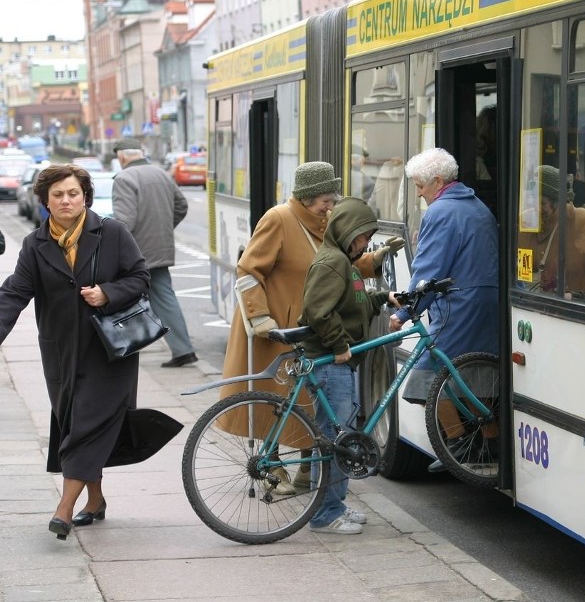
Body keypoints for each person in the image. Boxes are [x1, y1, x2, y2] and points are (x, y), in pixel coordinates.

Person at [0, 164, 182, 541]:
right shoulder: (35, 244)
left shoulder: (112, 232)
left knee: (86, 425)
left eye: (73, 193)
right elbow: (15, 293)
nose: (66, 200)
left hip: (109, 352)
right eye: (58, 195)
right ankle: (95, 500)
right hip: (61, 354)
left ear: (85, 196)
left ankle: (63, 510)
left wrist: (107, 293)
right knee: (75, 424)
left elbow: (140, 277)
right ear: (45, 201)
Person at [221, 161, 404, 494]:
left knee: (310, 400)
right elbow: (248, 270)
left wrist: (374, 260)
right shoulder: (278, 219)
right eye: (324, 199)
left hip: (312, 325)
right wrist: (260, 316)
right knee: (274, 402)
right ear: (306, 197)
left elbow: (340, 267)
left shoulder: (325, 223)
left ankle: (308, 469)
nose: (330, 206)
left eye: (333, 198)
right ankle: (273, 470)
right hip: (277, 325)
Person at [388, 148, 499, 472]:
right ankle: (489, 444)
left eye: (420, 185)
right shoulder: (478, 207)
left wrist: (405, 312)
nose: (419, 193)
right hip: (486, 305)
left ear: (437, 181)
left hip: (459, 307)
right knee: (476, 375)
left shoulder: (440, 212)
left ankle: (458, 446)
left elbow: (428, 270)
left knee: (426, 376)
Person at [299, 196, 401, 534]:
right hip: (329, 363)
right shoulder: (332, 263)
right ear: (346, 232)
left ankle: (333, 504)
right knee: (333, 438)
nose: (366, 243)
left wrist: (378, 298)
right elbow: (318, 310)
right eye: (363, 236)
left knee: (338, 435)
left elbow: (351, 300)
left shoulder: (344, 261)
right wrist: (340, 345)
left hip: (335, 362)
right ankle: (325, 514)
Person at [112, 137, 197, 367]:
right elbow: (182, 206)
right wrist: (163, 229)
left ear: (121, 157)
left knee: (122, 297)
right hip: (160, 248)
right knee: (163, 298)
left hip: (136, 253)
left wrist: (112, 247)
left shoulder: (124, 178)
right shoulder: (161, 174)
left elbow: (124, 221)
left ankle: (125, 348)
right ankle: (182, 349)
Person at [519, 165, 585, 293]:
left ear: (558, 201)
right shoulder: (523, 222)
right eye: (532, 202)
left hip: (574, 307)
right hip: (530, 305)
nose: (536, 209)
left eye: (542, 203)